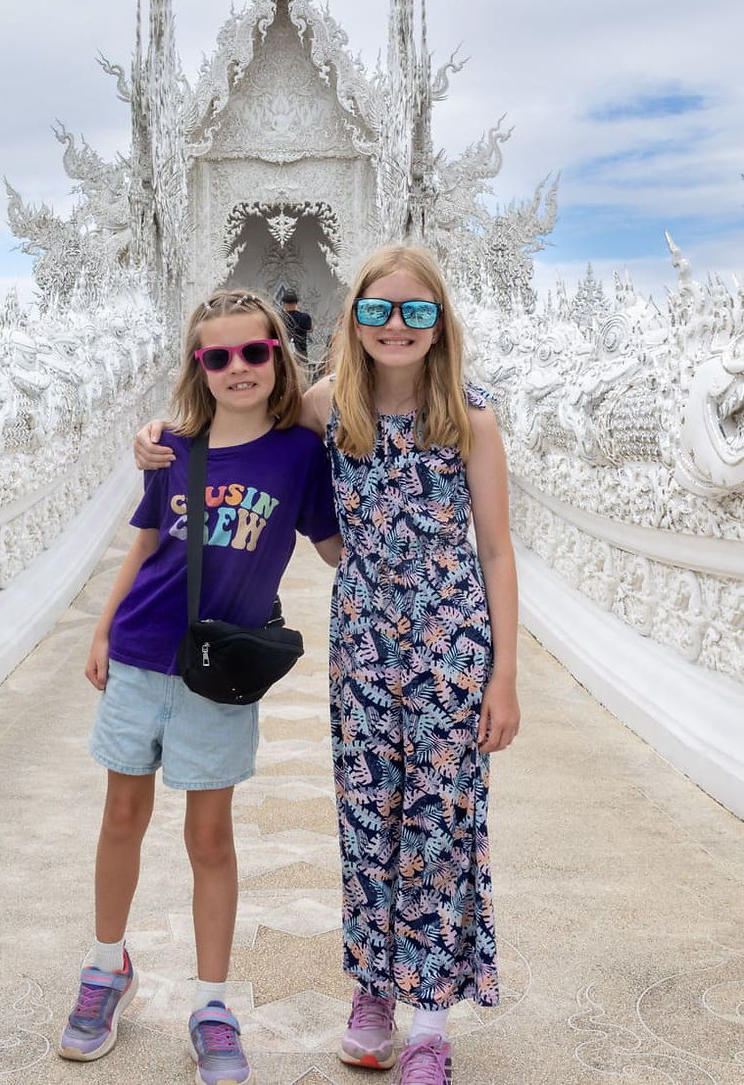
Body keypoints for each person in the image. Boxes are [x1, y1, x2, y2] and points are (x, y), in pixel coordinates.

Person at [135, 245, 520, 1084]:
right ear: (354, 319)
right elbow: (238, 429)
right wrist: (161, 436)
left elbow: (495, 550)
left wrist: (504, 677)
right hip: (364, 641)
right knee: (368, 816)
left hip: (452, 644)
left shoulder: (472, 417)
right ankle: (372, 996)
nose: (395, 326)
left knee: (439, 825)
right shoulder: (325, 406)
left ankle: (428, 1024)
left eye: (416, 311)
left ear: (440, 323)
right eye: (378, 309)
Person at [60, 288, 342, 1082]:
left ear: (277, 354)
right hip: (141, 652)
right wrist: (102, 629)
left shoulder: (298, 454)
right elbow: (146, 544)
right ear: (199, 365)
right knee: (122, 816)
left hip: (218, 674)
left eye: (254, 351)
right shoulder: (173, 447)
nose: (238, 367)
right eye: (219, 356)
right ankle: (107, 966)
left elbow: (334, 549)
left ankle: (212, 1004)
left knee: (210, 839)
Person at [280, 288, 312, 361]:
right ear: (296, 302)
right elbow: (310, 330)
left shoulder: (279, 317)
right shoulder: (305, 317)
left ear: (284, 303)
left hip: (284, 354)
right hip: (301, 354)